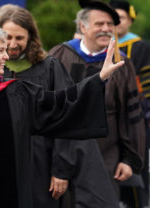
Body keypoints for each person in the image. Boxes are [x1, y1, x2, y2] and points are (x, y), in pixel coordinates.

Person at [0, 18, 123, 208]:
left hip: (15, 196)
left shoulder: (18, 93)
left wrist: (99, 78)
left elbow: (61, 103)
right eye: (0, 51)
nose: (6, 56)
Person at [0, 4, 119, 208]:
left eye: (19, 38)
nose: (13, 44)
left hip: (41, 164)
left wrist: (61, 169)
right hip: (3, 164)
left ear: (30, 37)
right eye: (7, 37)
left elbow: (67, 116)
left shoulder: (49, 68)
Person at [49, 0, 146, 202]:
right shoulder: (60, 56)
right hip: (64, 153)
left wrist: (128, 159)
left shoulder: (121, 63)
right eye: (99, 24)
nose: (106, 29)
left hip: (106, 153)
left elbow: (131, 113)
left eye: (110, 25)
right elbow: (49, 110)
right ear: (83, 27)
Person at [109, 1, 150, 207]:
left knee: (135, 171)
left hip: (136, 117)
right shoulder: (100, 47)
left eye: (121, 18)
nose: (116, 24)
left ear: (131, 20)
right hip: (109, 121)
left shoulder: (141, 46)